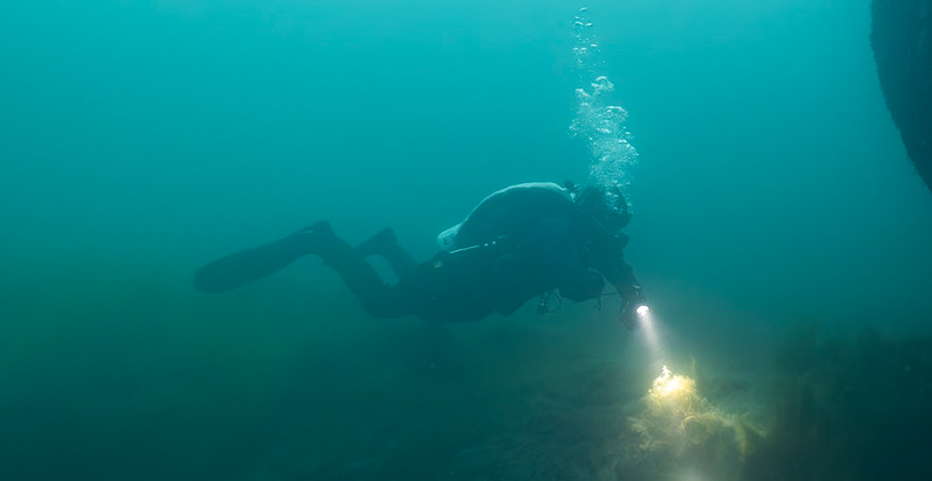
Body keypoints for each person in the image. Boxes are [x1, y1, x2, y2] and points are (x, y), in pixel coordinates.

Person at [193, 181, 648, 328]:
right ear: (595, 212)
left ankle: (388, 244)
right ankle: (320, 240)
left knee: (423, 302)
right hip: (466, 276)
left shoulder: (588, 236)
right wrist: (590, 286)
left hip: (476, 290)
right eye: (612, 223)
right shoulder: (561, 224)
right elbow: (572, 280)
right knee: (384, 306)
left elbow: (617, 266)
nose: (613, 235)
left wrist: (632, 295)